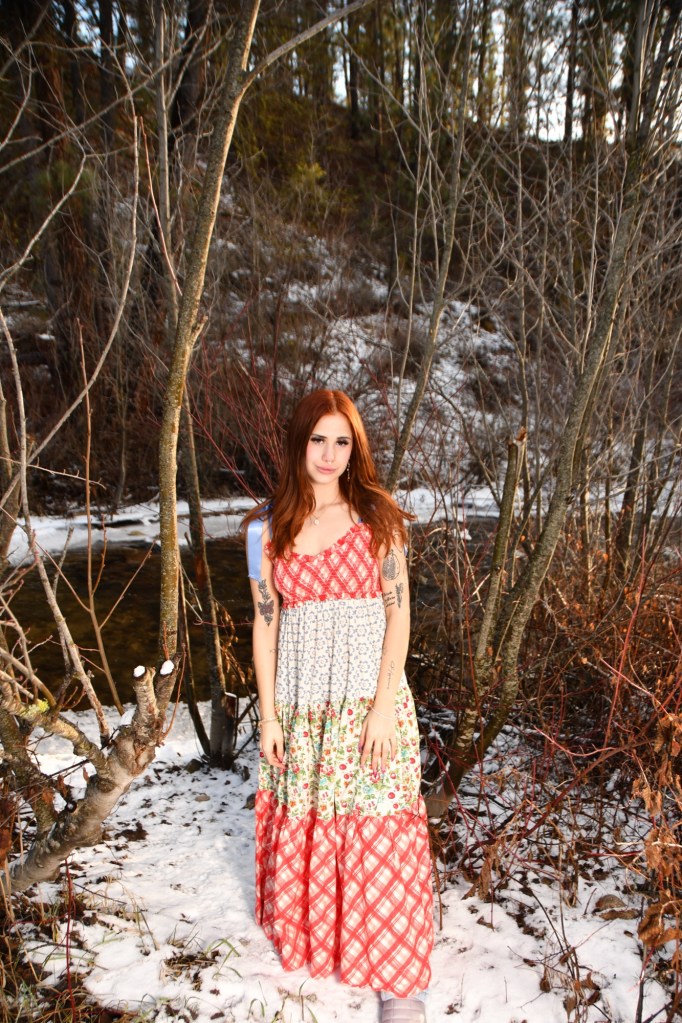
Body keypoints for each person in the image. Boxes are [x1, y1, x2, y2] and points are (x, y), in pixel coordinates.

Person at [244, 389, 433, 1022]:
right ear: (298, 443)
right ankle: (326, 942)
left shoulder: (377, 517)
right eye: (318, 439)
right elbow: (265, 623)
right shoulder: (265, 528)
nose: (329, 454)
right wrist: (270, 716)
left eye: (342, 441)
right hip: (302, 706)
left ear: (356, 448)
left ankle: (399, 982)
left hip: (367, 702)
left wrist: (383, 706)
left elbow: (399, 615)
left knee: (378, 821)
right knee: (316, 817)